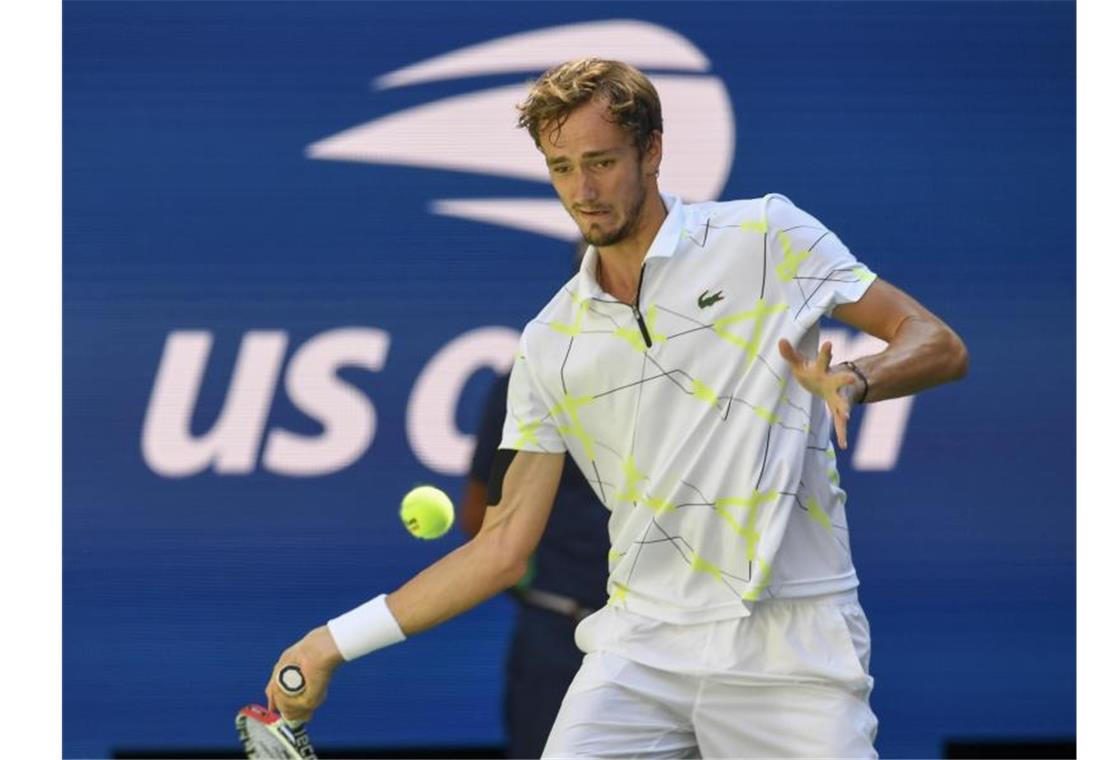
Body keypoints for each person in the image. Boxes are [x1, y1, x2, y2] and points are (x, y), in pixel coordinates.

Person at [266, 58, 969, 758]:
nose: (584, 190)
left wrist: (855, 378)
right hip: (639, 644)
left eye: (601, 161)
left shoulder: (765, 237)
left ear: (653, 150)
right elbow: (502, 548)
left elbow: (937, 343)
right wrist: (331, 643)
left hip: (787, 639)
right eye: (562, 168)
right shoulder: (549, 342)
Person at [464, 359, 610, 758]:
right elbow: (481, 516)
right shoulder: (529, 373)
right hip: (557, 631)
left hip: (671, 632)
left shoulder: (688, 366)